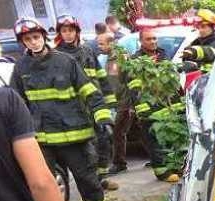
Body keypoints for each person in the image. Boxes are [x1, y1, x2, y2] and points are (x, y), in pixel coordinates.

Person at [9, 17, 121, 201]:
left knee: (87, 179)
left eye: (35, 37)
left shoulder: (65, 62)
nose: (33, 42)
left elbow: (89, 91)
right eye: (28, 39)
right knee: (43, 185)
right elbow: (14, 101)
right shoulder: (20, 67)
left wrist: (103, 116)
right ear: (22, 42)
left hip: (75, 136)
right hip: (42, 139)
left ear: (43, 37)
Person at [54, 14, 119, 184]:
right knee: (86, 148)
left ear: (77, 32)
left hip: (95, 105)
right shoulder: (56, 55)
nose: (68, 34)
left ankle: (102, 178)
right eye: (64, 31)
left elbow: (101, 77)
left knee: (104, 139)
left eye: (71, 30)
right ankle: (92, 182)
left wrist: (110, 104)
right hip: (74, 108)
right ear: (60, 33)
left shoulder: (87, 51)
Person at [125, 28, 181, 183]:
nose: (153, 42)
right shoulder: (136, 61)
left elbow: (172, 78)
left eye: (155, 38)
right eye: (149, 39)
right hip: (148, 106)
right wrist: (142, 110)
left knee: (169, 138)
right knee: (154, 140)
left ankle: (175, 167)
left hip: (166, 104)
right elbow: (134, 86)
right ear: (141, 41)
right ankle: (162, 173)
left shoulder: (163, 55)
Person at [96, 33, 130, 175]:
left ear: (111, 44)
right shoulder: (112, 58)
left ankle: (119, 163)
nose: (99, 47)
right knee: (123, 132)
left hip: (122, 101)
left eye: (101, 44)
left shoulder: (118, 58)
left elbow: (116, 83)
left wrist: (111, 101)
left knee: (117, 132)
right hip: (120, 101)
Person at [181, 9, 215, 73]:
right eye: (198, 27)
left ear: (213, 27)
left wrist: (194, 52)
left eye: (203, 27)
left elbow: (211, 52)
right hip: (196, 81)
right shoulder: (196, 42)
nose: (200, 30)